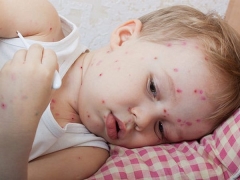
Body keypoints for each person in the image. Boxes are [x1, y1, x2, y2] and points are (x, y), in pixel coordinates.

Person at [0, 0, 240, 179]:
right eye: (153, 88)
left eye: (161, 129)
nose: (143, 120)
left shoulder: (86, 154)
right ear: (125, 37)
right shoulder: (41, 28)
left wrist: (16, 127)